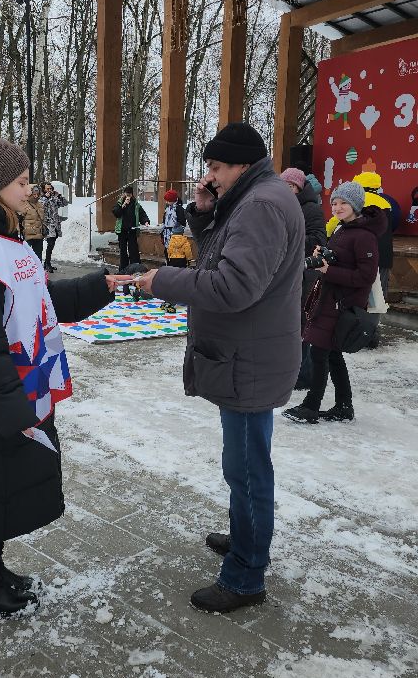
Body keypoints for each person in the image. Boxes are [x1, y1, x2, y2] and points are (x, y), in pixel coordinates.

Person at [0, 130, 131, 616]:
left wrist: (98, 286)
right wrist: (11, 412)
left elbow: (39, 303)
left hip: (11, 391)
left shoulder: (5, 239)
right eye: (20, 181)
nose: (30, 189)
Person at [136, 123, 305, 614]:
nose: (209, 176)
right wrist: (206, 213)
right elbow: (224, 256)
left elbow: (233, 286)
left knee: (247, 471)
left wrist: (162, 280)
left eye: (215, 168)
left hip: (249, 360)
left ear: (241, 165)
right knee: (244, 464)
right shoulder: (255, 198)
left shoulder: (262, 205)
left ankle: (246, 576)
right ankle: (245, 536)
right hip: (249, 355)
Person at [283, 181, 386, 425]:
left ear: (355, 205)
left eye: (343, 203)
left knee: (320, 352)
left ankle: (311, 406)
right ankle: (344, 406)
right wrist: (322, 256)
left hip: (343, 305)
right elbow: (341, 260)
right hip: (329, 300)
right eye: (335, 203)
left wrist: (329, 270)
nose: (338, 207)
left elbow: (366, 276)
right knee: (332, 355)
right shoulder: (343, 229)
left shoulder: (364, 236)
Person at [280, 167, 327, 390]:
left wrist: (288, 239)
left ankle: (304, 375)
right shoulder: (280, 206)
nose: (286, 190)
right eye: (283, 186)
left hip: (306, 273)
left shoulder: (311, 209)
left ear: (299, 187)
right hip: (285, 272)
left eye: (290, 186)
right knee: (287, 323)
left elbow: (318, 240)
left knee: (303, 324)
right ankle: (289, 370)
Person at [112, 185, 150, 275]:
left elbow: (142, 214)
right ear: (124, 194)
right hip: (122, 231)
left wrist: (146, 221)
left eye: (129, 194)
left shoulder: (136, 204)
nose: (128, 196)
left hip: (132, 230)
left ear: (132, 194)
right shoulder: (120, 202)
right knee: (123, 251)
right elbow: (116, 213)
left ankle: (136, 269)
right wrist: (123, 205)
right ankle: (123, 270)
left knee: (134, 251)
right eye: (126, 194)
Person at [162, 225, 193, 314]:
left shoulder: (171, 240)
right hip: (182, 260)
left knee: (173, 278)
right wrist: (189, 259)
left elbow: (169, 250)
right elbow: (188, 251)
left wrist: (170, 258)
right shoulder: (185, 240)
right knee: (182, 278)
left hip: (173, 261)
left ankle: (168, 299)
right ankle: (179, 298)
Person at [42, 182, 67, 272]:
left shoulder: (54, 198)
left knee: (52, 245)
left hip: (55, 225)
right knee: (50, 244)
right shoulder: (41, 198)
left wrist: (59, 195)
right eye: (47, 189)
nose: (49, 190)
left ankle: (47, 263)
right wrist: (46, 198)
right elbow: (41, 207)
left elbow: (64, 203)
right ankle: (47, 264)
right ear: (44, 189)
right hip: (48, 225)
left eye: (51, 188)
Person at [23, 185, 46, 261]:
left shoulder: (40, 205)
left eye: (37, 194)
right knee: (26, 257)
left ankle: (39, 268)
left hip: (38, 236)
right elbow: (18, 220)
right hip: (27, 237)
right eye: (34, 194)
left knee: (38, 258)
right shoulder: (24, 205)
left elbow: (43, 219)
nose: (36, 196)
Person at [161, 188, 187, 256]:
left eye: (168, 200)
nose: (166, 202)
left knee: (174, 253)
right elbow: (164, 219)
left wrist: (176, 231)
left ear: (173, 200)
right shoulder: (167, 208)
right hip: (166, 234)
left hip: (175, 235)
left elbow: (182, 223)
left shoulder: (179, 209)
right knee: (167, 252)